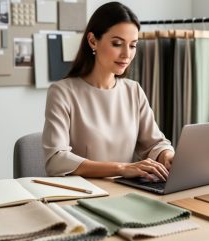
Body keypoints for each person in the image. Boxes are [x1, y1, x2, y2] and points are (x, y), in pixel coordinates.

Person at [42, 2, 174, 182]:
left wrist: (166, 155)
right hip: (84, 196)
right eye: (117, 43)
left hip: (126, 193)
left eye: (133, 45)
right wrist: (122, 168)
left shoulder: (133, 90)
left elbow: (155, 143)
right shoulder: (62, 92)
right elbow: (56, 160)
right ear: (93, 41)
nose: (126, 54)